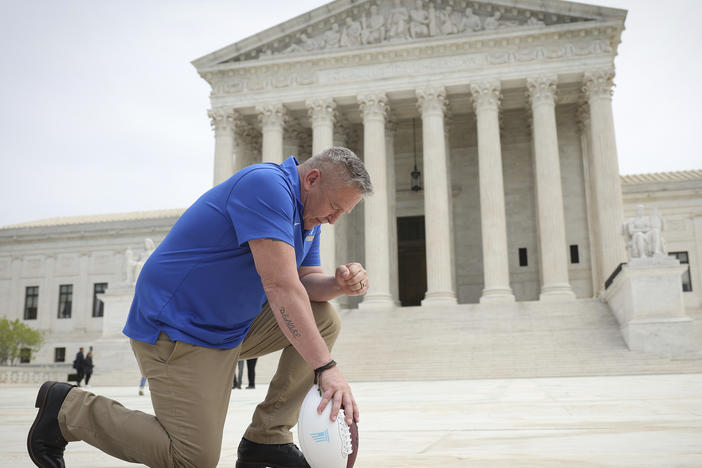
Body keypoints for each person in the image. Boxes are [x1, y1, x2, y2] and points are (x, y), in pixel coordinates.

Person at [27, 147, 372, 468]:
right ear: (311, 179)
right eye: (335, 207)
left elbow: (305, 281)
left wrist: (336, 286)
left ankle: (267, 437)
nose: (334, 219)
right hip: (177, 328)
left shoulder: (308, 216)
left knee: (324, 317)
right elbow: (281, 286)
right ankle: (68, 409)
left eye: (343, 213)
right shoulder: (267, 186)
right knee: (192, 458)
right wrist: (326, 367)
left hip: (228, 327)